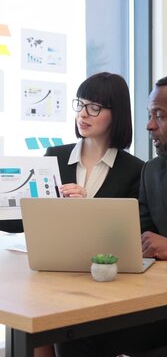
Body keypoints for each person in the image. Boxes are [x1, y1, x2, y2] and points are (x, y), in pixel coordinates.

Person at [53, 71, 167, 357]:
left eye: (159, 115)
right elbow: (131, 237)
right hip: (164, 302)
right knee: (74, 329)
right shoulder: (153, 172)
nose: (148, 125)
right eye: (149, 114)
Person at [0, 71, 144, 357]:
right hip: (51, 273)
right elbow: (19, 219)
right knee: (35, 326)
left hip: (103, 283)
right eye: (80, 104)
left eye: (95, 107)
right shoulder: (55, 154)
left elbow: (128, 235)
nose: (83, 114)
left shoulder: (136, 169)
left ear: (117, 114)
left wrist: (86, 205)